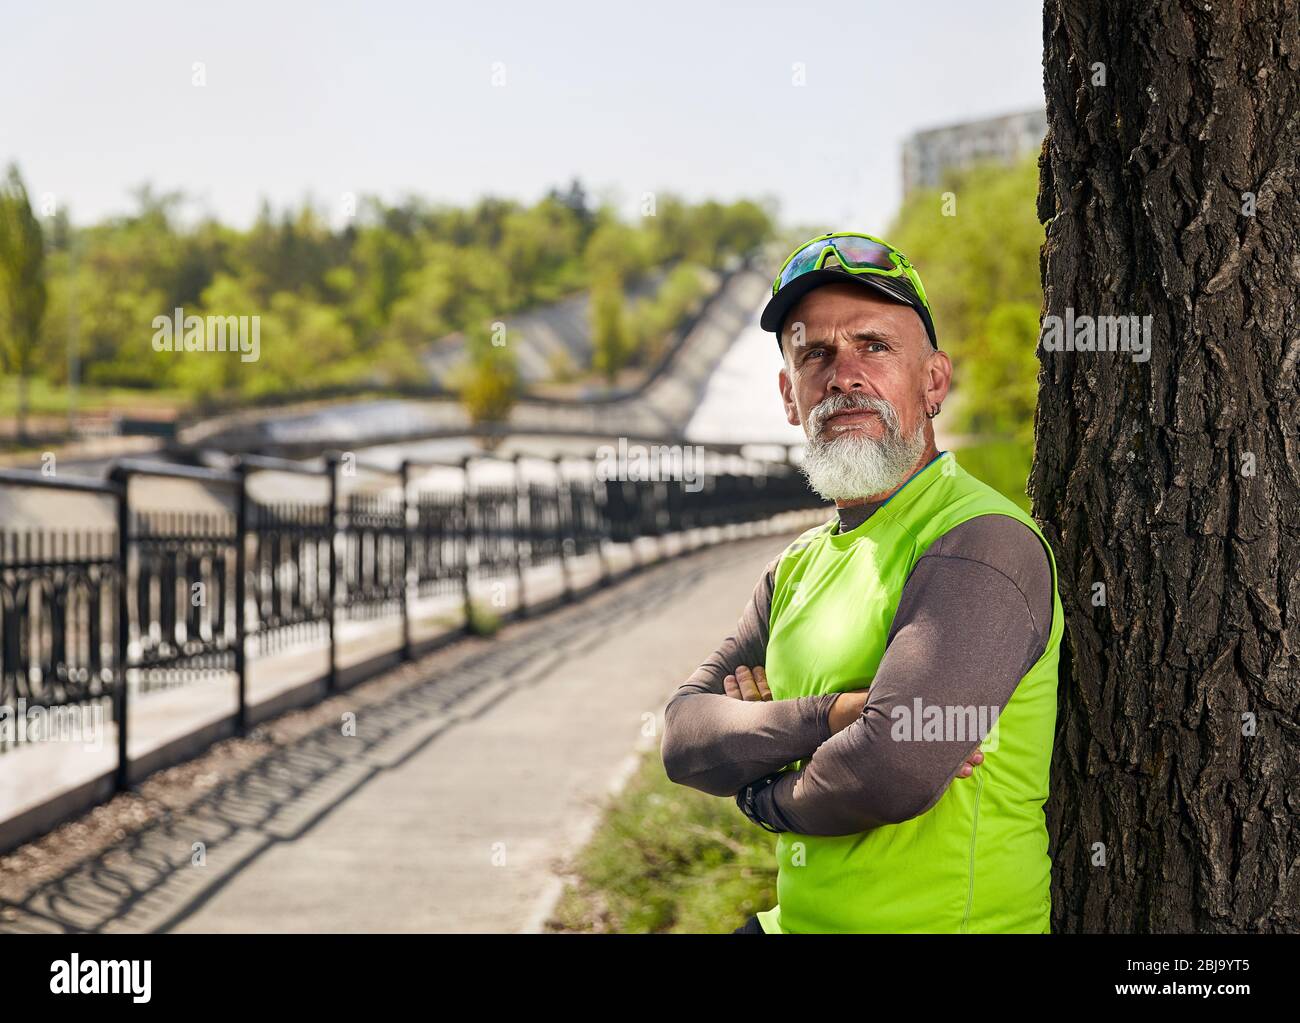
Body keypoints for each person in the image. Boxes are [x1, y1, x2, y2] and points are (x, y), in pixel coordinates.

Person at [660, 232, 1063, 934]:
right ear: (790, 395)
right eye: (815, 353)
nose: (843, 374)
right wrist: (834, 715)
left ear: (934, 381)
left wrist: (757, 788)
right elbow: (684, 735)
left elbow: (894, 764)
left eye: (874, 346)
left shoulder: (978, 541)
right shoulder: (796, 567)